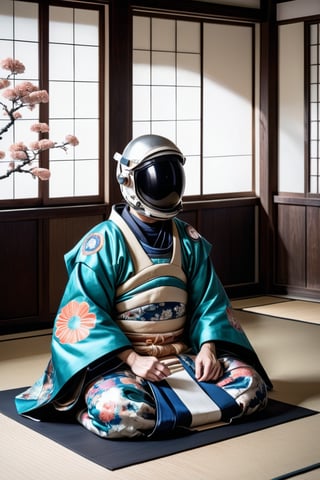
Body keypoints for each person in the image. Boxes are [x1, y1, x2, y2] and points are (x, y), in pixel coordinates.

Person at [15, 134, 272, 438]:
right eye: (157, 180)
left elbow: (210, 302)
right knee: (123, 412)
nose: (166, 187)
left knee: (251, 387)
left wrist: (208, 349)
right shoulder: (103, 243)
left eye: (172, 178)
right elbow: (84, 314)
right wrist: (134, 360)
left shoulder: (188, 239)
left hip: (183, 355)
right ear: (128, 182)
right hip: (123, 363)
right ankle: (86, 409)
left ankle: (177, 406)